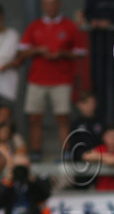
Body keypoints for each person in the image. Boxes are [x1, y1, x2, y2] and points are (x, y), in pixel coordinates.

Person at [10, 0, 87, 162]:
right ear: (43, 6)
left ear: (58, 5)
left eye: (53, 4)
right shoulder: (34, 26)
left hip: (61, 80)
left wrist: (62, 53)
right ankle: (36, 153)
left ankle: (65, 154)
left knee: (63, 118)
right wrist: (38, 50)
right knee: (34, 119)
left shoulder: (69, 26)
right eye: (47, 4)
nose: (50, 7)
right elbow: (22, 52)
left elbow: (80, 52)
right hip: (37, 79)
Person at [81, 124, 114, 191]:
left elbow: (113, 161)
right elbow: (85, 156)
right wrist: (106, 157)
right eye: (110, 136)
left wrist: (98, 157)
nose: (113, 140)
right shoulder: (101, 148)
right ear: (104, 137)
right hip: (101, 192)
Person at [0, 4, 20, 108]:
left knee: (4, 117)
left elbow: (19, 59)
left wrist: (7, 65)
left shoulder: (13, 35)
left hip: (6, 87)